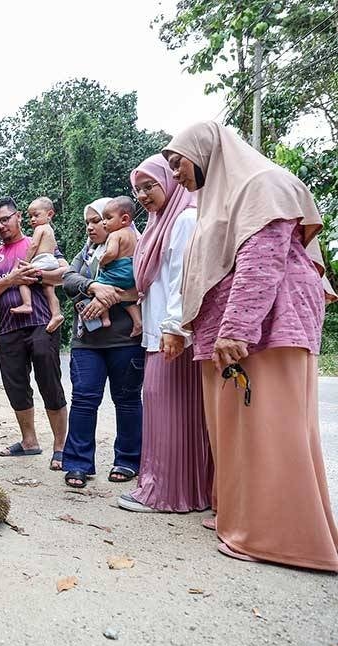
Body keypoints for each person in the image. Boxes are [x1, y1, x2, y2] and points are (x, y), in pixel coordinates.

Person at [163, 121, 338, 570]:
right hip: (229, 333)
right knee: (233, 430)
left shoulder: (262, 184)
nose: (175, 172)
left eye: (177, 161)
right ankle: (239, 516)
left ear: (204, 152)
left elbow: (262, 260)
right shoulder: (212, 204)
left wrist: (237, 328)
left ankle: (277, 536)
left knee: (267, 428)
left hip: (265, 330)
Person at [117, 154, 213, 514]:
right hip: (162, 332)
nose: (143, 195)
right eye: (137, 189)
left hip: (173, 335)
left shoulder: (185, 218)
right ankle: (187, 491)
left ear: (169, 183)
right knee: (169, 412)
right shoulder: (158, 222)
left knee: (167, 411)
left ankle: (167, 493)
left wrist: (174, 329)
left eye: (149, 186)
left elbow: (183, 280)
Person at [0, 197, 69, 466]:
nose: (1, 225)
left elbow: (64, 273)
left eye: (5, 219)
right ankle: (29, 441)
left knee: (49, 384)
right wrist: (10, 280)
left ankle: (60, 446)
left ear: (18, 217)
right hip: (8, 329)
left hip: (41, 324)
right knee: (16, 387)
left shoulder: (37, 241)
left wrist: (38, 276)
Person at [60, 198, 144, 488]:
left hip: (126, 340)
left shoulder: (137, 246)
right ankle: (79, 463)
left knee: (128, 400)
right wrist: (94, 286)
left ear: (118, 221)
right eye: (88, 222)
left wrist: (113, 296)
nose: (92, 227)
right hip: (87, 343)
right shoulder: (85, 255)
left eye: (98, 220)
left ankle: (128, 460)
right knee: (83, 399)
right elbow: (67, 278)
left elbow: (145, 282)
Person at [12, 197, 64, 334]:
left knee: (22, 278)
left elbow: (34, 245)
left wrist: (27, 262)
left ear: (50, 214)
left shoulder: (40, 228)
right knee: (49, 288)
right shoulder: (50, 230)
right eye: (30, 217)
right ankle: (56, 314)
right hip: (51, 261)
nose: (32, 220)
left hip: (42, 260)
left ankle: (27, 304)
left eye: (36, 215)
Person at [96, 197, 144, 336]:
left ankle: (105, 319)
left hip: (119, 269)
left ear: (124, 219)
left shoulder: (115, 234)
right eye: (103, 218)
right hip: (132, 270)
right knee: (127, 301)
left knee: (99, 286)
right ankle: (138, 322)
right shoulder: (133, 233)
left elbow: (111, 253)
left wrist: (102, 260)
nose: (104, 222)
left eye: (108, 218)